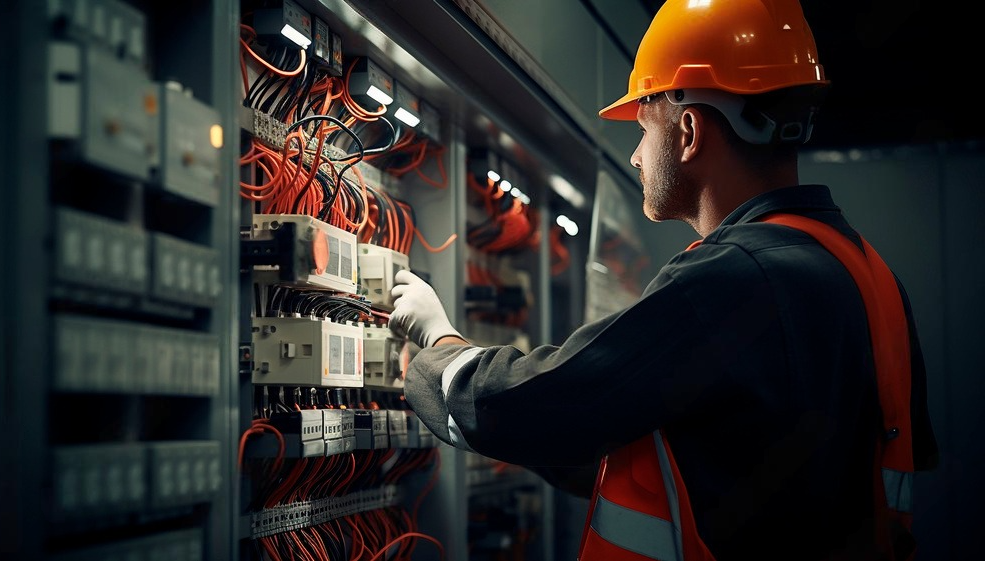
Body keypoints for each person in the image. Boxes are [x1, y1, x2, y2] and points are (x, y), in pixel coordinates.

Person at [387, 0, 938, 559]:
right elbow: (704, 458)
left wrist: (441, 344)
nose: (634, 155)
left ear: (690, 131)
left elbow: (533, 403)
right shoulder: (872, 279)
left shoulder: (735, 276)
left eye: (644, 128)